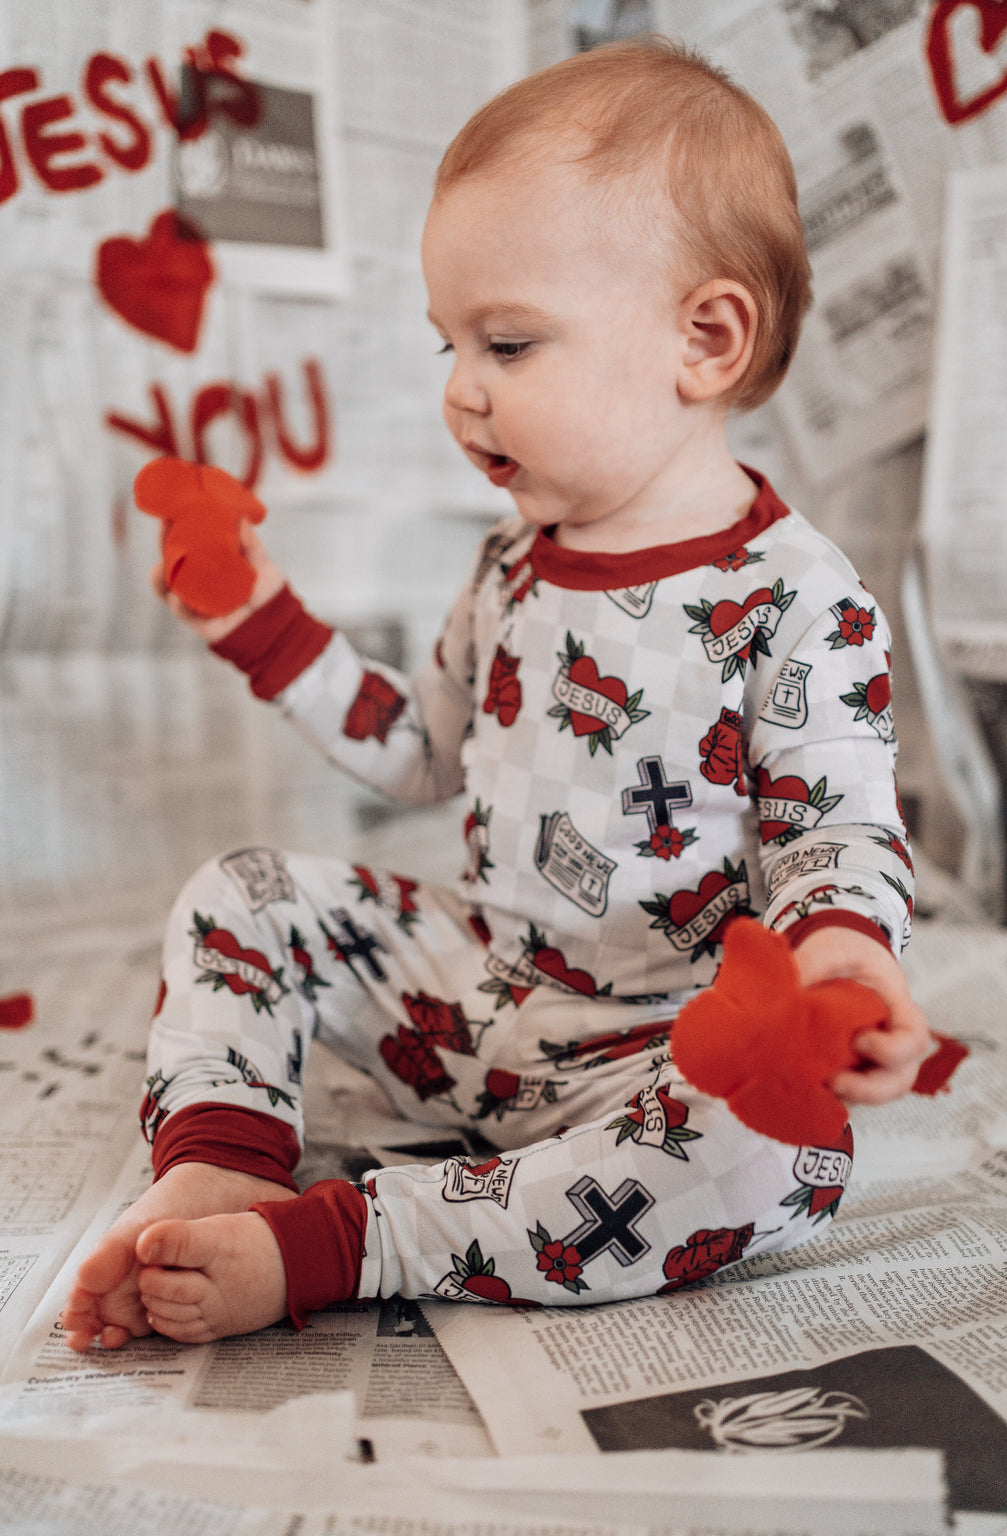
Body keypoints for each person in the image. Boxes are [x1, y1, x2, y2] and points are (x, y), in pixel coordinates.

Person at [61, 35, 931, 1350]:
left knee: (770, 1161)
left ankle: (346, 1243)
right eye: (450, 343)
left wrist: (842, 964)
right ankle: (228, 1150)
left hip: (663, 1053)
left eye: (508, 342)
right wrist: (263, 622)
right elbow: (420, 749)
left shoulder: (799, 600)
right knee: (243, 891)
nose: (461, 392)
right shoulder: (515, 563)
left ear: (704, 339)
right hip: (483, 1003)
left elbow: (837, 834)